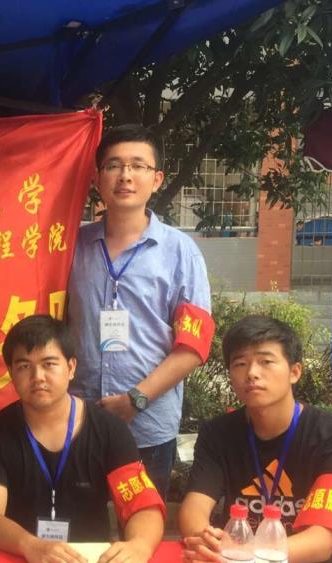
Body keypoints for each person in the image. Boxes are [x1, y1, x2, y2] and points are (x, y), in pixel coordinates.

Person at [179, 316, 332, 563]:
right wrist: (206, 544)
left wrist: (240, 553)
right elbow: (194, 508)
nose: (252, 373)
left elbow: (322, 540)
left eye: (266, 362)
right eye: (240, 364)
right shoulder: (218, 433)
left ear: (295, 372)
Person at [68, 124, 213, 499]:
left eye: (138, 166)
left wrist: (137, 399)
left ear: (157, 179)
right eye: (114, 165)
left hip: (148, 426)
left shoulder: (180, 252)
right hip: (78, 420)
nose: (125, 176)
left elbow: (194, 345)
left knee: (142, 524)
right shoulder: (71, 246)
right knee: (80, 526)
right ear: (97, 178)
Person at [0, 315, 165, 563]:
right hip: (19, 562)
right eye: (24, 366)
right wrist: (30, 545)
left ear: (71, 367)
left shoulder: (110, 430)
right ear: (11, 373)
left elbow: (142, 505)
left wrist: (140, 546)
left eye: (49, 364)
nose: (38, 377)